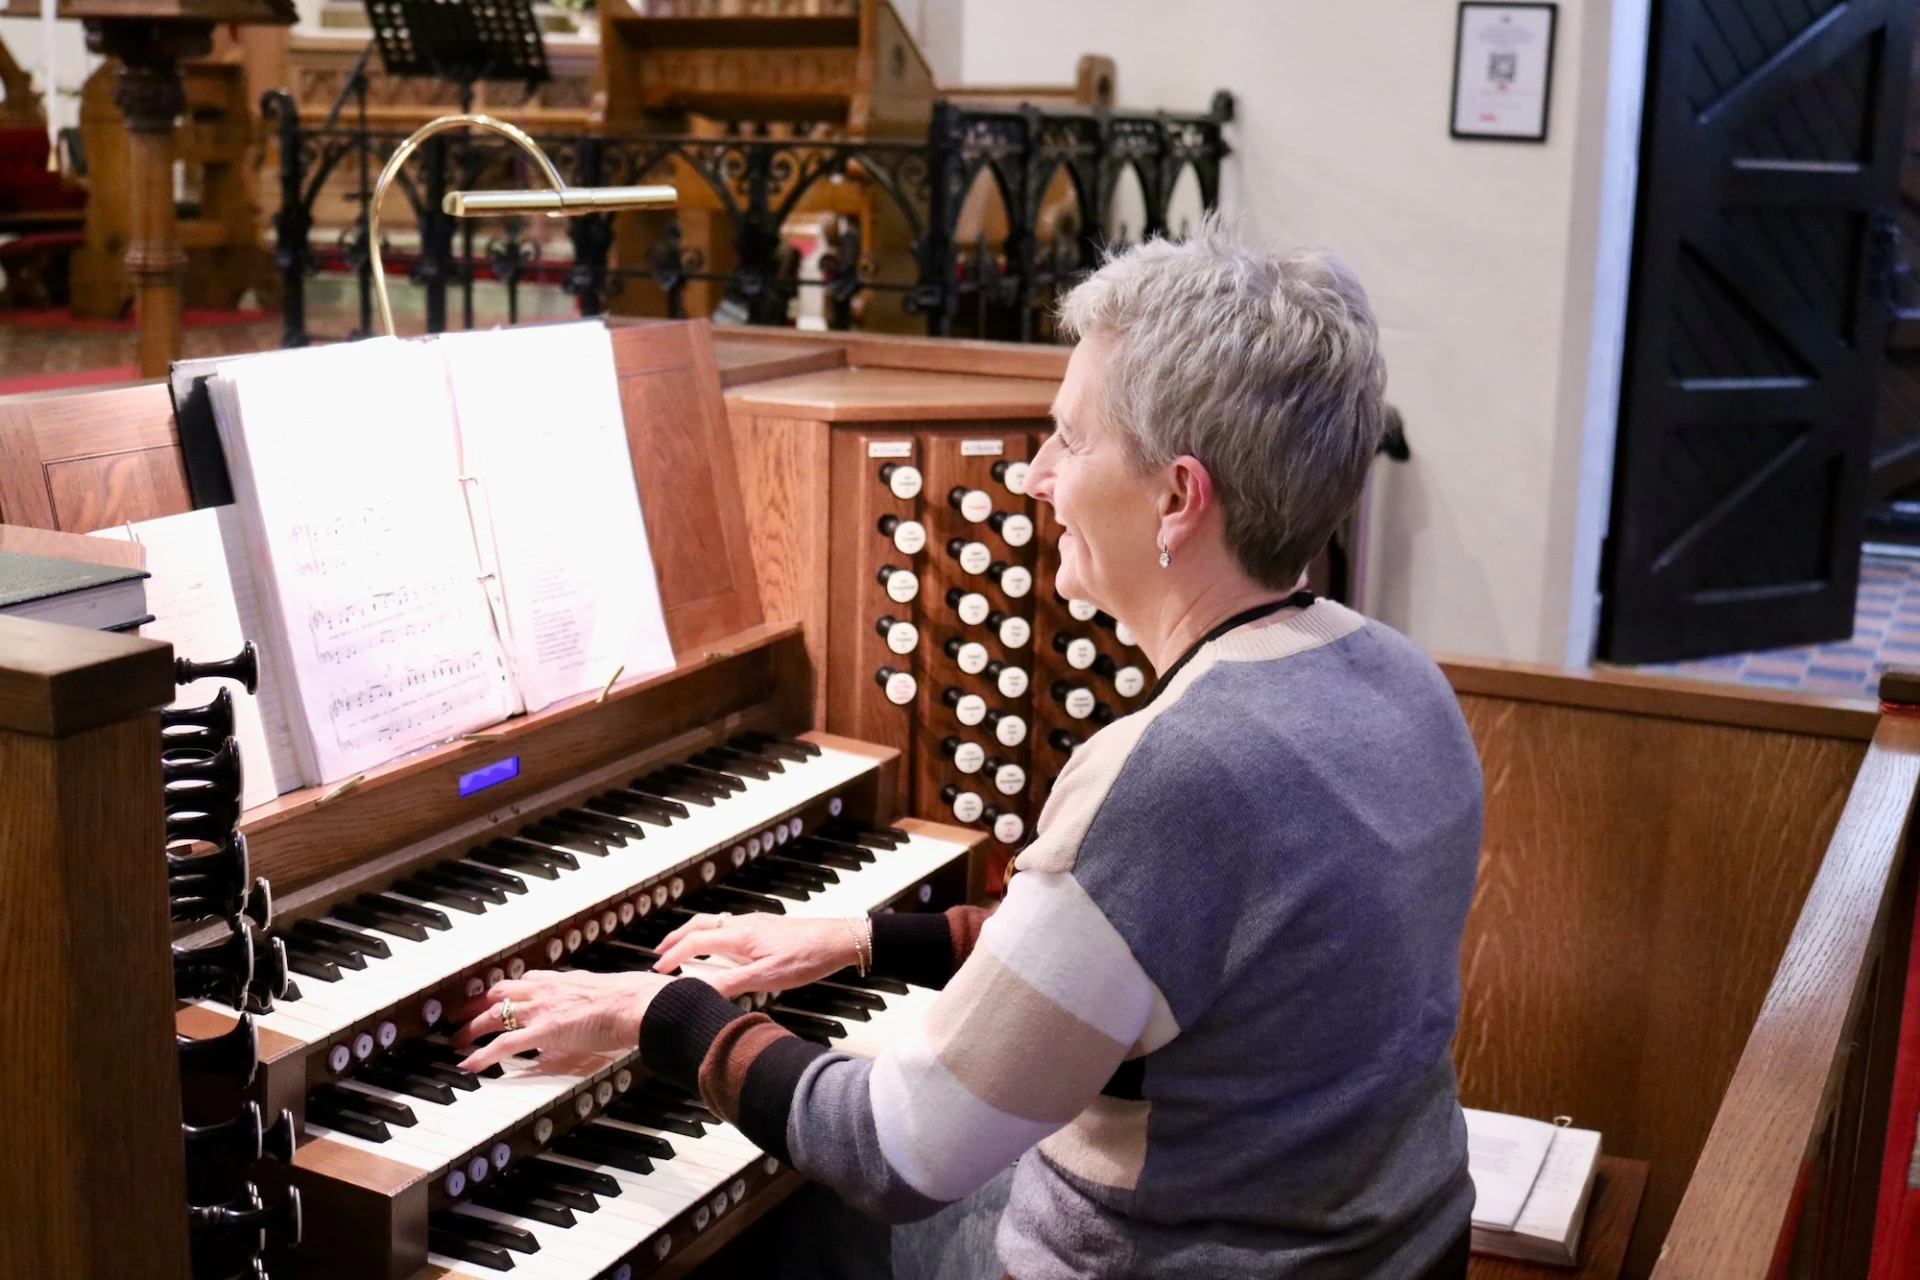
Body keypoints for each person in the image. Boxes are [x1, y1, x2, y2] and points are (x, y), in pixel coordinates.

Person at [455, 220, 1485, 1279]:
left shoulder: (1176, 772)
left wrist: (659, 1013)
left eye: (1070, 440)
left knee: (766, 1233)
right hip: (1390, 1243)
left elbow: (895, 1148)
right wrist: (862, 937)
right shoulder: (1401, 681)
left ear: (1178, 496)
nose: (1037, 474)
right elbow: (1167, 948)